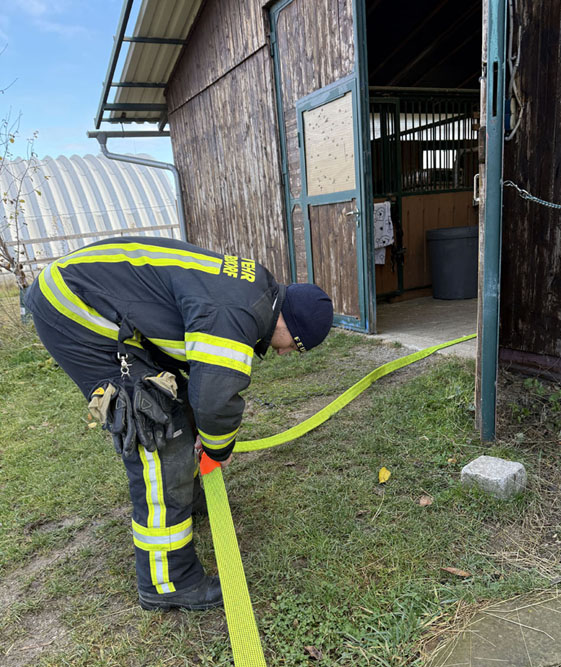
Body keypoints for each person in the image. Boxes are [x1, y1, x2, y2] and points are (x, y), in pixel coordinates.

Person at [24, 236, 333, 611]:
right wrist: (218, 448)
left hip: (96, 297)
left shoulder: (253, 290)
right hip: (76, 308)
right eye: (294, 346)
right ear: (290, 324)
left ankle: (186, 499)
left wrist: (203, 427)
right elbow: (216, 396)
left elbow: (197, 377)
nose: (284, 353)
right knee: (157, 430)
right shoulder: (235, 312)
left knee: (176, 400)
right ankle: (168, 581)